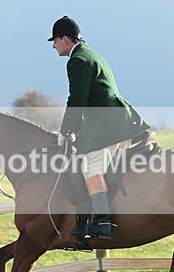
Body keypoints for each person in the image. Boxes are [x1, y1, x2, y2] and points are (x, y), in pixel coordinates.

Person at [49, 16, 150, 240]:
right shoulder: (91, 54)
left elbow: (77, 100)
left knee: (91, 168)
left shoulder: (77, 61)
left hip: (108, 125)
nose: (54, 46)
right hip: (117, 120)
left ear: (65, 39)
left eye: (54, 41)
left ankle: (103, 222)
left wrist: (65, 132)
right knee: (100, 166)